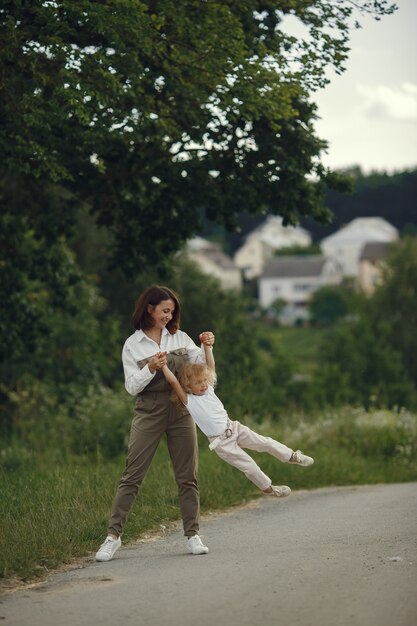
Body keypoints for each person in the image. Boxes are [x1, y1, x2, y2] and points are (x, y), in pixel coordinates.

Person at [95, 285, 214, 562]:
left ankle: (193, 535)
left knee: (188, 476)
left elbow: (204, 369)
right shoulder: (132, 345)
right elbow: (130, 387)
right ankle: (112, 538)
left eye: (172, 312)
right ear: (149, 309)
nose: (169, 316)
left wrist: (207, 345)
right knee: (132, 476)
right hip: (148, 411)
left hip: (181, 410)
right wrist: (150, 368)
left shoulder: (180, 338)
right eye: (164, 311)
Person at [162, 333, 314, 498]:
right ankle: (270, 489)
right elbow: (173, 382)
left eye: (204, 380)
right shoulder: (189, 400)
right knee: (250, 466)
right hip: (221, 443)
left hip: (234, 427)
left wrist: (206, 347)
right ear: (188, 386)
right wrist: (163, 366)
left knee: (266, 443)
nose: (204, 385)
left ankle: (292, 456)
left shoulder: (209, 389)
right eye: (199, 383)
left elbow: (210, 365)